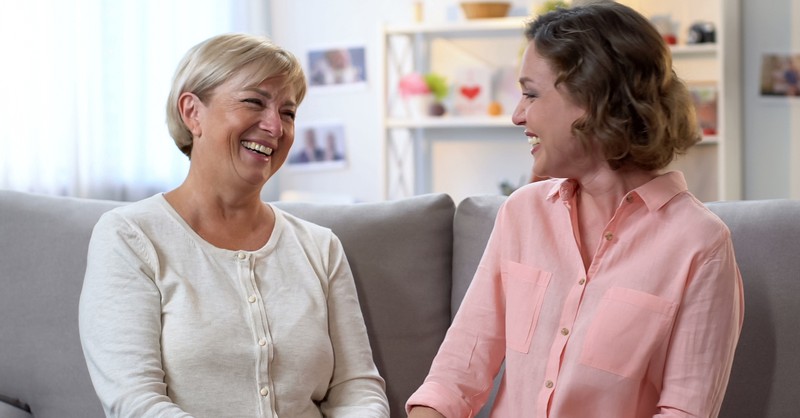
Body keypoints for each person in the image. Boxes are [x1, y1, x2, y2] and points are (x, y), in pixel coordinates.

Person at [406, 3, 743, 418]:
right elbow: (456, 377)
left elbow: (684, 411)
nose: (517, 115)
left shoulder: (699, 244)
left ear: (592, 98)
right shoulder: (522, 213)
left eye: (530, 93)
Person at [78, 33, 389, 418]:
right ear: (193, 113)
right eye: (254, 102)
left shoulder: (320, 247)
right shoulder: (130, 237)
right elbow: (136, 402)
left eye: (288, 113)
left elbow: (356, 389)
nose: (275, 127)